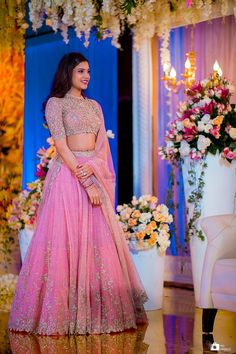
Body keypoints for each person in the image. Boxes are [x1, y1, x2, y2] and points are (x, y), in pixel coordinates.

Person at [8, 52, 148, 336]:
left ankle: (96, 314)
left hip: (91, 172)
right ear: (68, 72)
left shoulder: (94, 105)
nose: (86, 76)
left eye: (88, 71)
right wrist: (85, 180)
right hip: (68, 179)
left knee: (98, 243)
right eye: (80, 71)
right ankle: (62, 315)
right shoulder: (55, 104)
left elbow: (101, 148)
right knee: (64, 245)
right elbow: (60, 145)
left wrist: (93, 172)